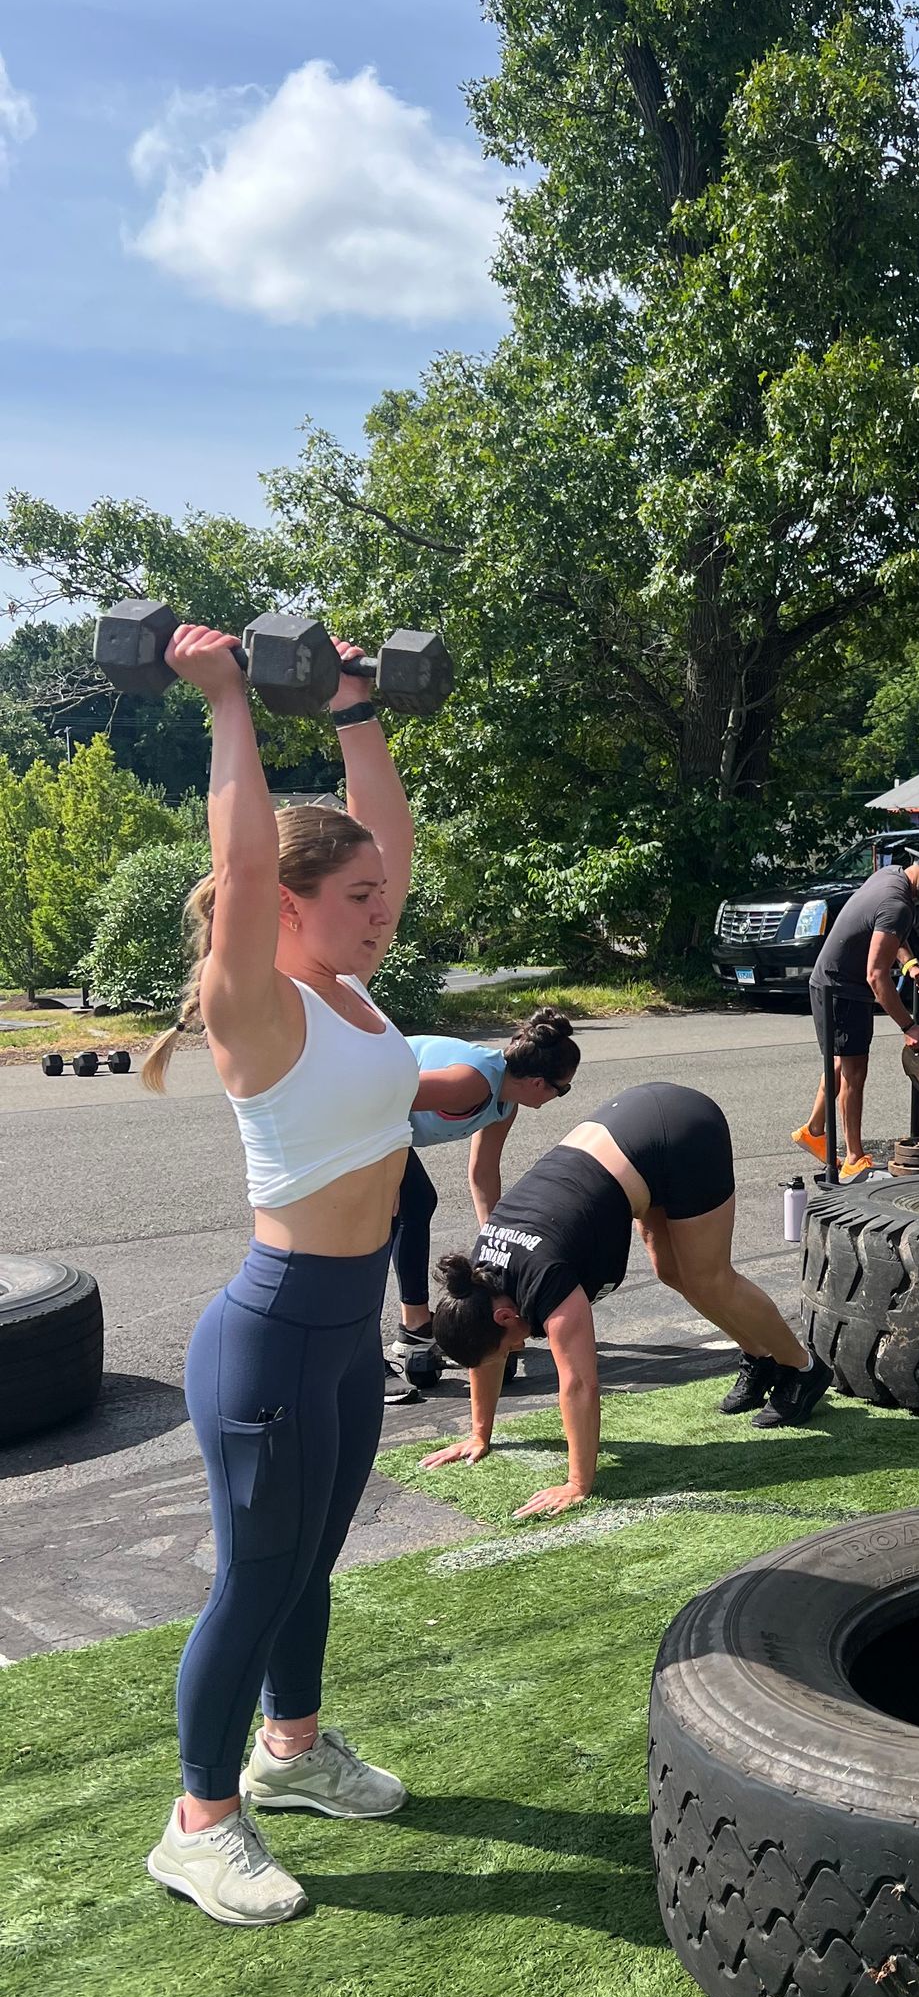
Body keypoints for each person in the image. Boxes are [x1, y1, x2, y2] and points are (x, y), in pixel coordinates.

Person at [141, 625, 422, 1927]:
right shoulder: (257, 1001)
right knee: (256, 1578)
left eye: (382, 897)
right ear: (292, 910)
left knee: (311, 1564)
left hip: (344, 1332)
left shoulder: (358, 997)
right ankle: (198, 1824)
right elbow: (243, 855)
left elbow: (385, 841)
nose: (385, 910)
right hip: (265, 1338)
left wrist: (356, 704)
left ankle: (293, 1752)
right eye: (357, 899)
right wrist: (230, 705)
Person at [426, 1081, 831, 1515]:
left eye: (510, 1348)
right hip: (632, 1142)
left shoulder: (546, 1281)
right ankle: (760, 1356)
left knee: (709, 1277)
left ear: (506, 1316)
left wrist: (578, 1482)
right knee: (672, 1271)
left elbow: (580, 1383)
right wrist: (479, 1433)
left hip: (678, 1130)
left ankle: (802, 1368)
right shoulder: (477, 1283)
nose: (518, 1352)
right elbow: (481, 1354)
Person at [385, 1008, 583, 1399]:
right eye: (564, 1089)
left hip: (384, 1124)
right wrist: (388, 1178)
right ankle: (408, 1335)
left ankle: (415, 1328)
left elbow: (482, 1173)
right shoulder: (472, 1082)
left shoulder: (505, 1101)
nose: (560, 1097)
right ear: (539, 1083)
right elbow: (380, 1097)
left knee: (416, 1203)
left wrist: (495, 1249)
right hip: (357, 1114)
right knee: (401, 1210)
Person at [796, 840, 919, 1177]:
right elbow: (876, 975)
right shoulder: (898, 903)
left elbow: (888, 933)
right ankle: (854, 1159)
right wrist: (908, 1026)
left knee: (838, 1065)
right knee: (854, 1073)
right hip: (844, 989)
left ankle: (813, 1133)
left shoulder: (890, 876)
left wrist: (910, 963)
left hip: (827, 982)